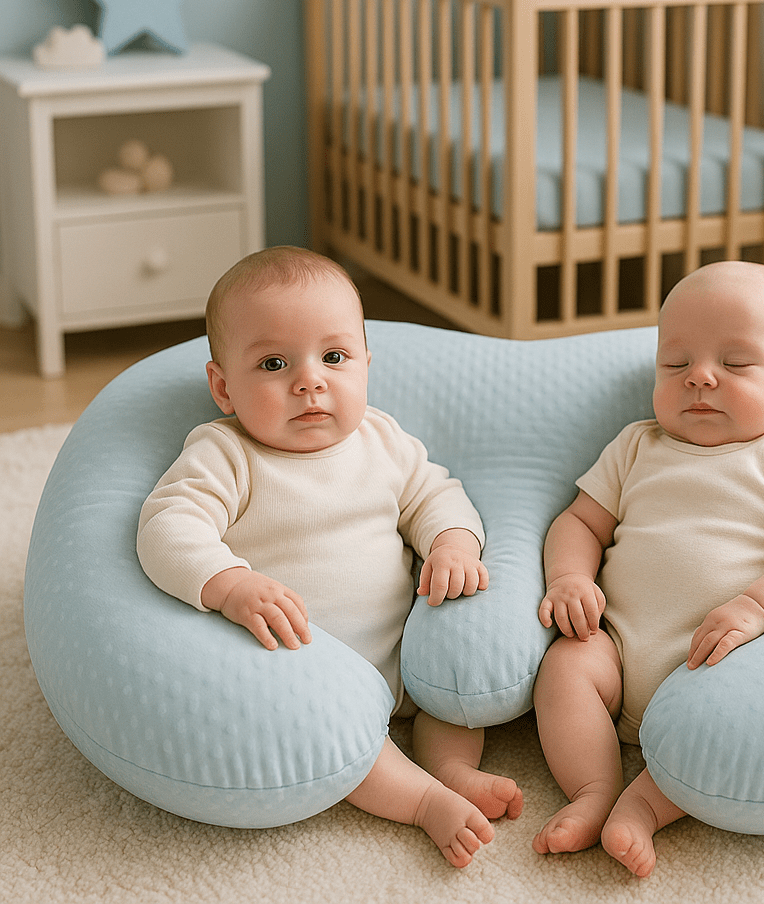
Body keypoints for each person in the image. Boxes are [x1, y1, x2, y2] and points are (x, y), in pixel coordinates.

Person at [137, 246, 522, 868]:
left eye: (335, 357)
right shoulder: (227, 454)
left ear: (366, 364)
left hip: (405, 654)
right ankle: (423, 800)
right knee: (343, 743)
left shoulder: (383, 440)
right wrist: (230, 583)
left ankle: (452, 769)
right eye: (273, 363)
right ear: (223, 386)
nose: (309, 380)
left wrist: (451, 541)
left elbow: (435, 495)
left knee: (452, 700)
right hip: (304, 670)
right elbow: (167, 526)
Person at [532, 260, 764, 877]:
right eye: (674, 364)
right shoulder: (636, 445)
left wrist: (757, 607)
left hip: (721, 655)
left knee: (726, 727)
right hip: (618, 647)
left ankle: (646, 805)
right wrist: (569, 578)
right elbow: (578, 522)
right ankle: (592, 789)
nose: (700, 378)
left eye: (735, 365)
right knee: (565, 668)